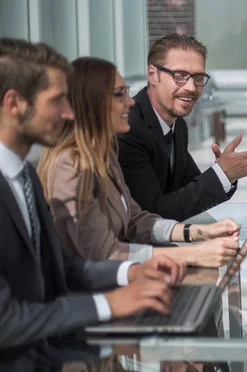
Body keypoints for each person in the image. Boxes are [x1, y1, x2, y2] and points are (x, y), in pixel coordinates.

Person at [0, 38, 185, 349]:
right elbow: (6, 321)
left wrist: (132, 271)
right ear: (15, 103)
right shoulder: (57, 168)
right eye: (58, 100)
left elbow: (61, 267)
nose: (71, 113)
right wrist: (110, 304)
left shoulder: (24, 176)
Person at [38, 57, 240, 267]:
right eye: (119, 94)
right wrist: (193, 254)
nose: (130, 101)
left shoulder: (103, 157)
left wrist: (199, 232)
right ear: (90, 104)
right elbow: (106, 252)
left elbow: (136, 219)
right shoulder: (69, 167)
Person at [117, 34, 247, 221]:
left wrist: (226, 173)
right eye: (179, 76)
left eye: (198, 78)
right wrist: (223, 173)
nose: (191, 87)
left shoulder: (177, 125)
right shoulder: (128, 128)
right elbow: (152, 215)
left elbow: (190, 190)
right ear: (152, 75)